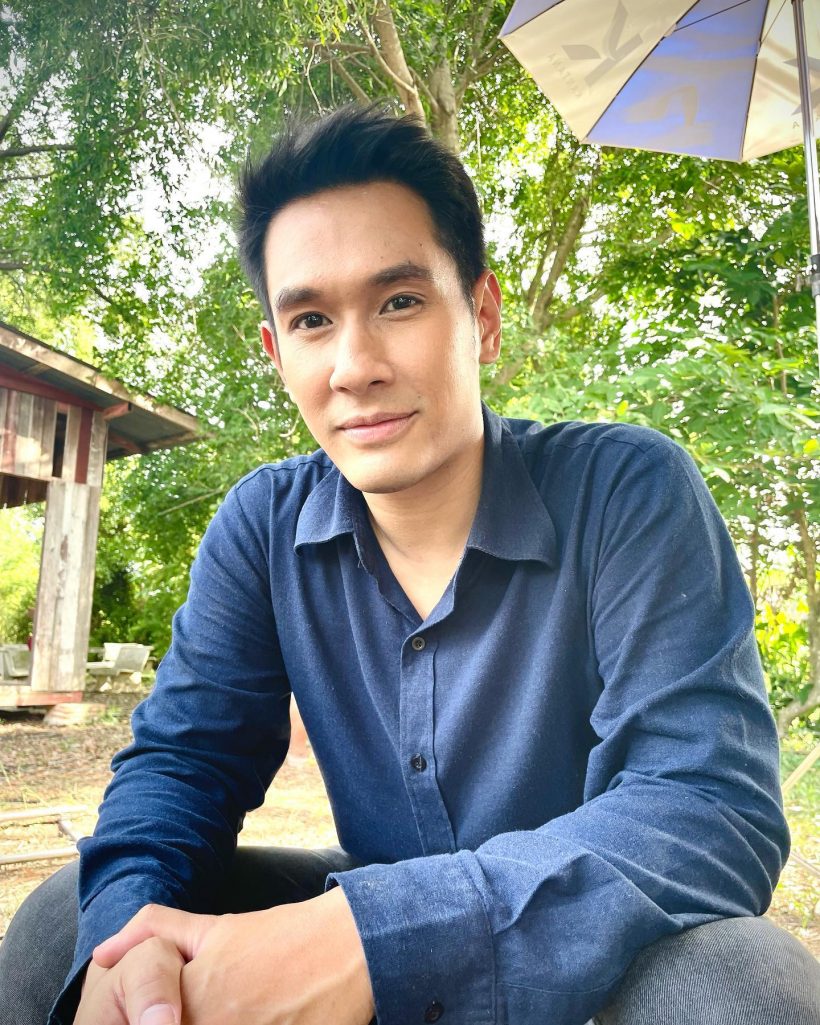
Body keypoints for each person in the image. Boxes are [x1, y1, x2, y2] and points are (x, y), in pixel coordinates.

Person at [1, 105, 817, 1025]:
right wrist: (133, 950)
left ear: (482, 316)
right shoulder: (263, 528)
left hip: (596, 958)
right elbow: (181, 767)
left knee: (741, 983)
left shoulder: (625, 491)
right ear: (277, 352)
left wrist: (378, 941)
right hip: (365, 902)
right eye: (312, 319)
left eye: (398, 302)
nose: (355, 366)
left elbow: (706, 805)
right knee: (69, 924)